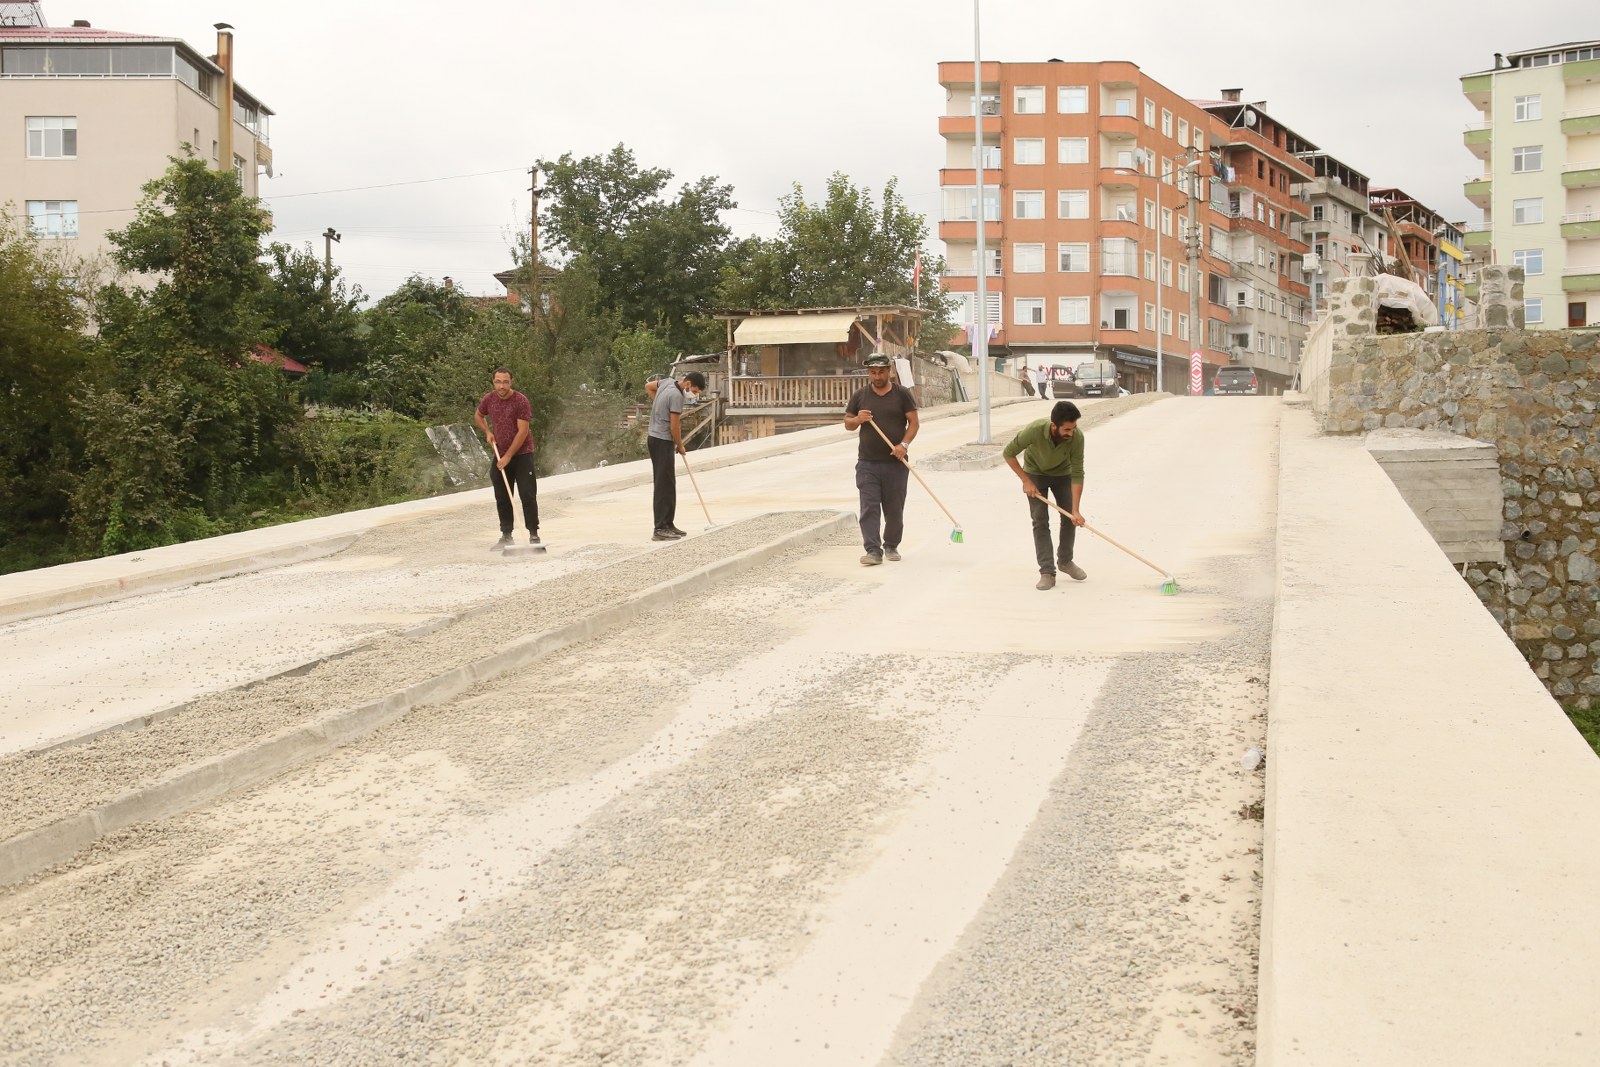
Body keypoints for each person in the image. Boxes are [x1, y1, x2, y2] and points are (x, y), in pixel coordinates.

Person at [1003, 400, 1088, 590]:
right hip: (1035, 473)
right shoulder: (1034, 430)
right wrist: (1026, 480)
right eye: (1067, 429)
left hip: (1063, 474)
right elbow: (1008, 453)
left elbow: (1077, 473)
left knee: (1069, 518)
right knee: (1040, 520)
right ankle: (1047, 572)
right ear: (1054, 426)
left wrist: (1076, 509)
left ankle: (1065, 561)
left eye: (1073, 428)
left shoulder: (1077, 438)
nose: (1071, 433)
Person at [843, 353, 918, 566]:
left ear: (889, 371)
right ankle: (873, 551)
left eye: (881, 372)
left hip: (896, 463)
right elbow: (847, 422)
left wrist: (903, 445)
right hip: (867, 463)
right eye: (873, 372)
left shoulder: (902, 394)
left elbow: (914, 423)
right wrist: (858, 419)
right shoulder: (860, 395)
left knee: (894, 509)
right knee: (869, 507)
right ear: (869, 373)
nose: (877, 376)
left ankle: (891, 545)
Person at [474, 368, 539, 549]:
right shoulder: (489, 399)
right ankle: (506, 536)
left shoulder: (520, 401)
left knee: (527, 494)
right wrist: (487, 432)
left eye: (505, 382)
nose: (501, 386)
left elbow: (523, 431)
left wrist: (509, 456)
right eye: (498, 381)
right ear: (493, 382)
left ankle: (533, 535)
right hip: (500, 453)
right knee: (502, 496)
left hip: (522, 454)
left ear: (511, 382)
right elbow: (479, 415)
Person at [644, 371, 706, 540]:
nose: (694, 394)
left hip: (655, 438)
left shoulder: (666, 383)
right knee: (663, 484)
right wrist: (680, 446)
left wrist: (658, 406)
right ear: (688, 384)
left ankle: (668, 524)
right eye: (695, 390)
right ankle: (659, 529)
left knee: (669, 483)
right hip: (662, 440)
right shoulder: (676, 397)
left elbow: (648, 386)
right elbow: (674, 427)